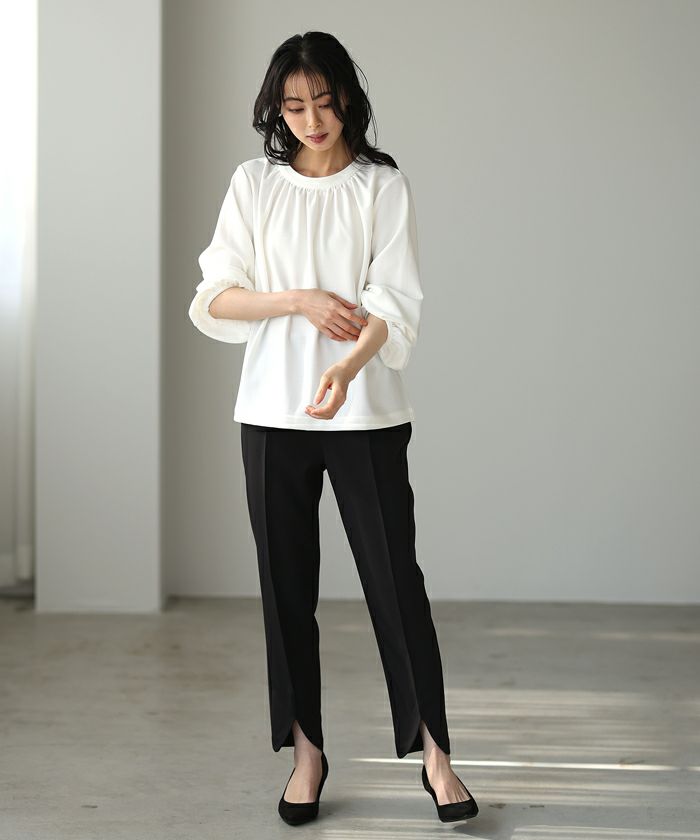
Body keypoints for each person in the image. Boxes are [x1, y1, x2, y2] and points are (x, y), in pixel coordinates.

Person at [188, 31, 478, 825]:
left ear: (347, 96)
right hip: (270, 415)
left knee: (396, 585)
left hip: (366, 411)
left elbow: (395, 306)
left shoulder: (382, 186)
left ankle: (437, 755)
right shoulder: (255, 184)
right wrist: (300, 300)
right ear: (276, 111)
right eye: (294, 106)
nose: (311, 120)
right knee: (286, 591)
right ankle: (306, 753)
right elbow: (215, 297)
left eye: (323, 101)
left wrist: (346, 370)